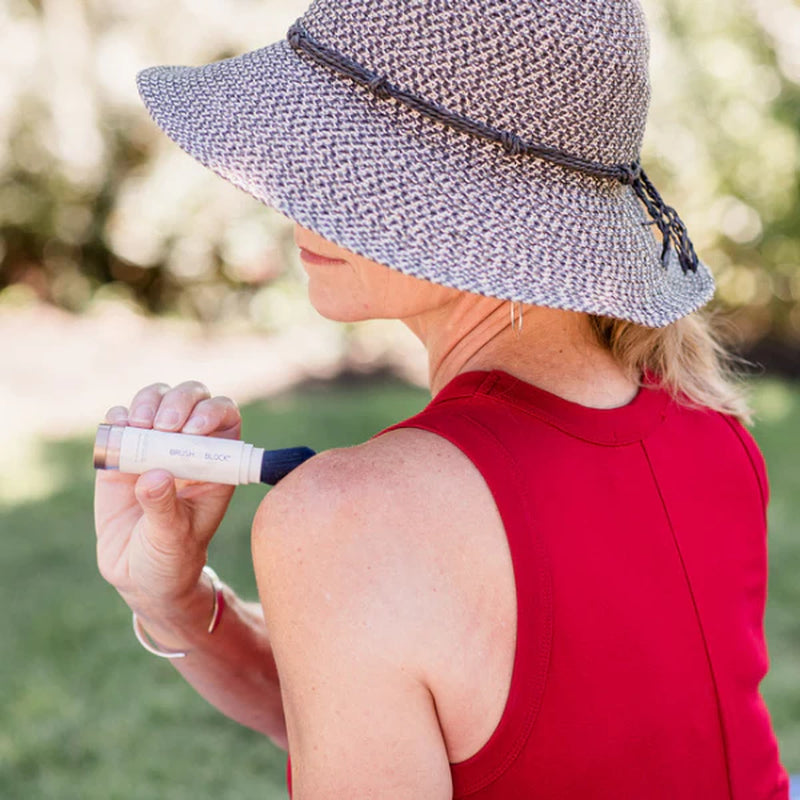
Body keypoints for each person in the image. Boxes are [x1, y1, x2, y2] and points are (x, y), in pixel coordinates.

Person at [94, 0, 790, 797]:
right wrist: (176, 604)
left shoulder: (345, 519)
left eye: (348, 156)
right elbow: (388, 723)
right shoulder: (716, 434)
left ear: (477, 215)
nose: (289, 196)